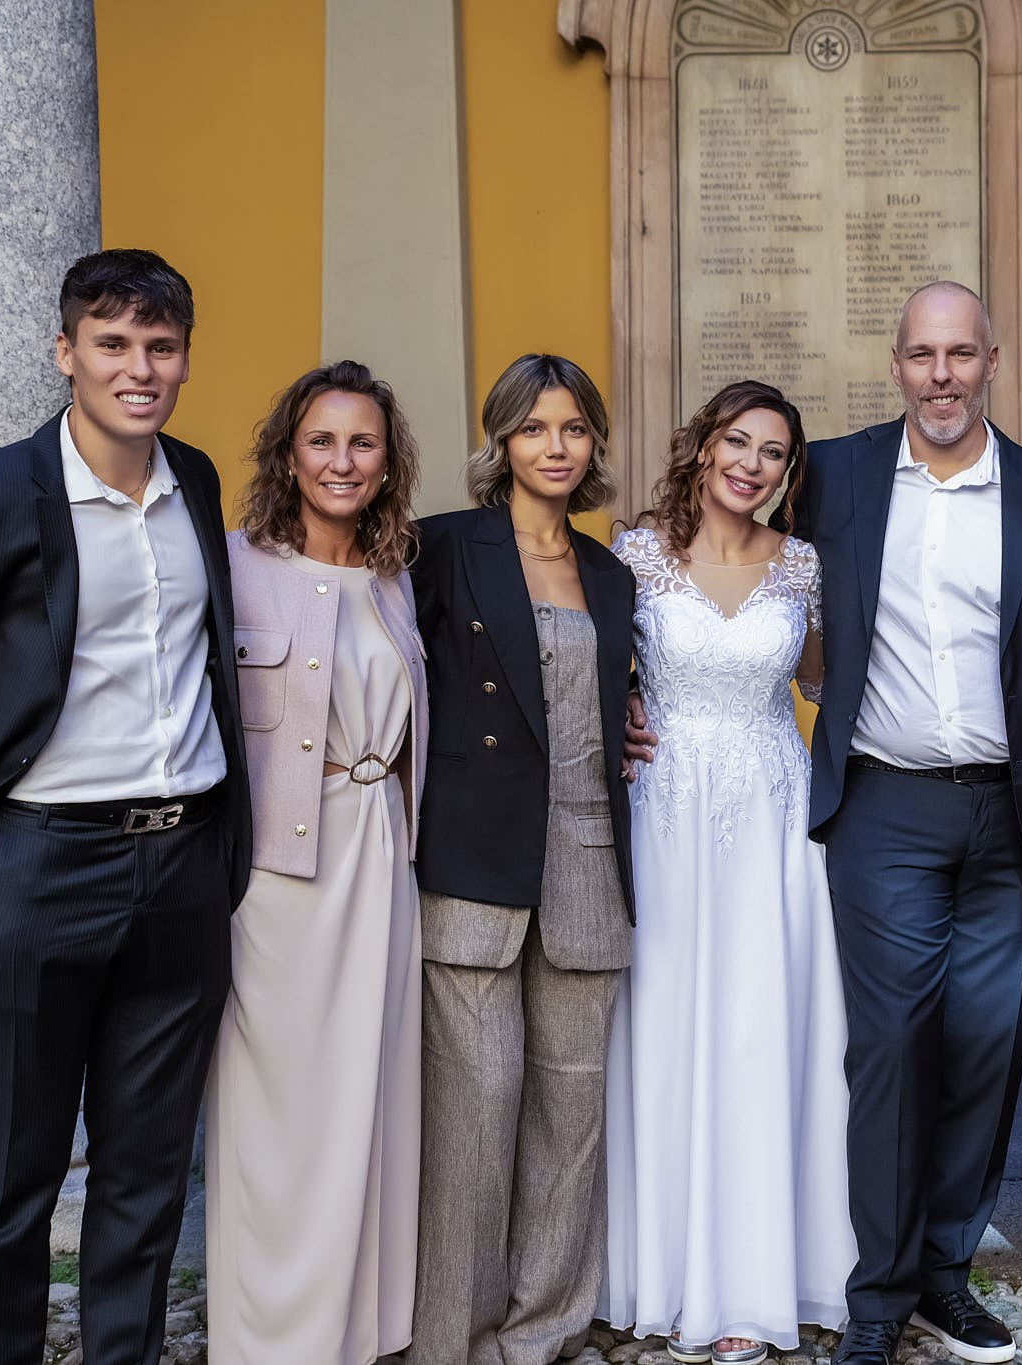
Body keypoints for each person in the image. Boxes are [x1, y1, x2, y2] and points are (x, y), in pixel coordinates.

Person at [629, 281, 1022, 1365]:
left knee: (986, 1048)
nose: (941, 374)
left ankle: (945, 1272)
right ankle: (876, 1295)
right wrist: (626, 690)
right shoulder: (830, 477)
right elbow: (698, 568)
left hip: (1008, 813)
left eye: (961, 354)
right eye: (921, 355)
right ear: (895, 365)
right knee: (886, 1049)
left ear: (992, 362)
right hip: (883, 805)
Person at [0, 248, 251, 1365]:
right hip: (33, 867)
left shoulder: (198, 482)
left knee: (148, 1175)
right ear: (64, 351)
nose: (139, 369)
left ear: (183, 359)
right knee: (9, 1184)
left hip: (182, 870)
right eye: (112, 344)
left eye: (160, 347)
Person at [602, 380, 855, 1365]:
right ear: (703, 447)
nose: (751, 465)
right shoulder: (632, 555)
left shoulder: (803, 568)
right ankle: (659, 1272)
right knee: (661, 1024)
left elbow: (828, 685)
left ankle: (756, 1284)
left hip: (772, 816)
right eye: (737, 443)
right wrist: (618, 707)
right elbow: (588, 666)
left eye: (773, 453)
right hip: (662, 808)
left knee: (761, 1032)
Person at [407, 353, 638, 1365]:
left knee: (569, 1113)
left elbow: (616, 695)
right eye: (534, 427)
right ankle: (449, 1338)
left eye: (574, 427)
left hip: (587, 861)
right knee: (474, 1108)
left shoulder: (609, 573)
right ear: (500, 440)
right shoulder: (440, 551)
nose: (555, 446)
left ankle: (541, 1332)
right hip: (472, 859)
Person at [204, 360, 429, 1365]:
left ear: (387, 463)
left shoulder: (398, 577)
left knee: (368, 1098)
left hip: (381, 855)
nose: (343, 461)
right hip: (273, 878)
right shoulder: (231, 565)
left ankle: (358, 1332)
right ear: (288, 454)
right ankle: (272, 1340)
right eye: (323, 441)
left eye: (363, 443)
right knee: (276, 1113)